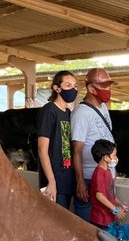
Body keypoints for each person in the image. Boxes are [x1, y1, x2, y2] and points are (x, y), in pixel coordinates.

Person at [71, 68, 116, 221]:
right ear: (91, 88)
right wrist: (80, 182)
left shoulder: (103, 108)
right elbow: (77, 150)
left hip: (105, 177)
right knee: (87, 228)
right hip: (90, 179)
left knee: (102, 225)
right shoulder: (81, 113)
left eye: (109, 86)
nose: (108, 90)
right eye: (104, 86)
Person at [36, 70, 77, 209]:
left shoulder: (69, 113)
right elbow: (42, 150)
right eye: (68, 86)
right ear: (56, 88)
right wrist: (51, 182)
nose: (73, 89)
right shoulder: (49, 111)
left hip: (67, 179)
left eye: (74, 86)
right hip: (53, 180)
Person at [89, 139, 127, 230]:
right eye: (114, 155)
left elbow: (110, 194)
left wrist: (119, 204)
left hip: (108, 219)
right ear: (106, 157)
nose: (116, 158)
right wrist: (116, 210)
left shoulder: (108, 171)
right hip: (100, 220)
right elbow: (99, 195)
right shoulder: (99, 173)